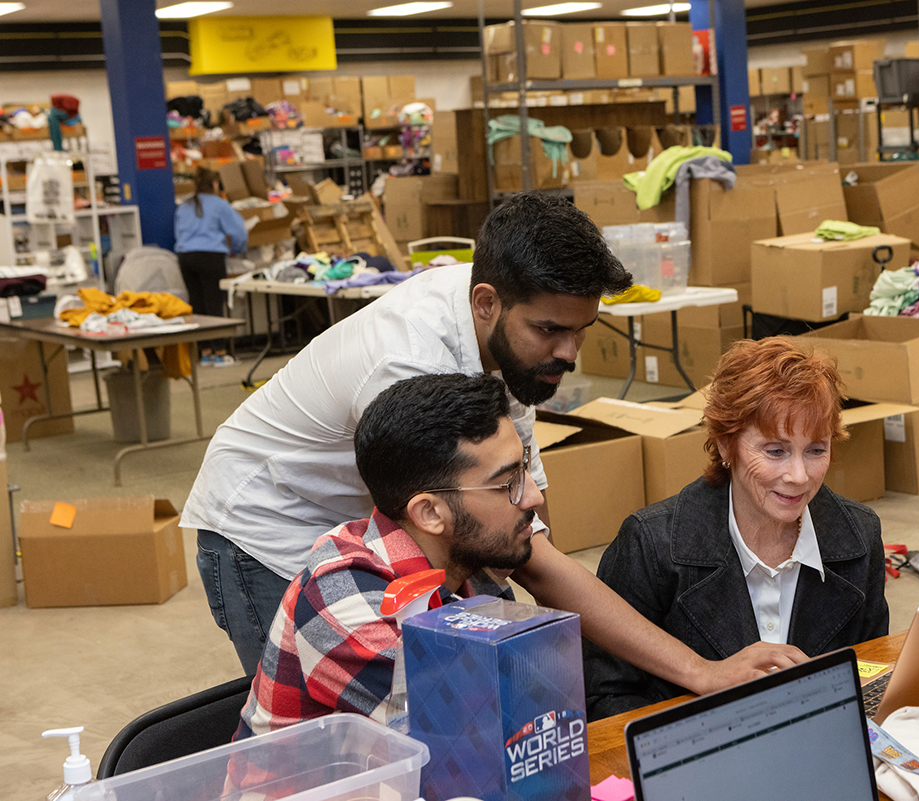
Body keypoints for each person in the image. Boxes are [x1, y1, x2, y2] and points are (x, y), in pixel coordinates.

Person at [182, 192, 802, 694]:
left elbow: (530, 520)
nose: (568, 352)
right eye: (551, 330)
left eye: (583, 330)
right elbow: (528, 558)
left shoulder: (504, 327)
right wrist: (698, 670)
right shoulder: (412, 362)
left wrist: (554, 626)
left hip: (385, 514)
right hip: (269, 520)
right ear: (487, 304)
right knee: (363, 709)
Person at [584, 338, 890, 719]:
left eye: (816, 450)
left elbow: (872, 668)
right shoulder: (651, 544)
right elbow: (604, 701)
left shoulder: (860, 536)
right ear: (725, 445)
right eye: (775, 451)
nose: (798, 476)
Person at [234, 372, 540, 738]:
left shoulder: (470, 565)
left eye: (524, 468)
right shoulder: (341, 596)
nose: (533, 496)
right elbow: (477, 733)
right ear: (429, 513)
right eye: (508, 483)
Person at [174, 166, 247, 365]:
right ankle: (221, 352)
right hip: (210, 256)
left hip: (185, 257)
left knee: (197, 305)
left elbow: (178, 233)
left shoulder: (185, 206)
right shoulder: (219, 205)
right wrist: (237, 250)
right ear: (214, 184)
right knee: (214, 303)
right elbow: (240, 232)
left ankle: (205, 352)